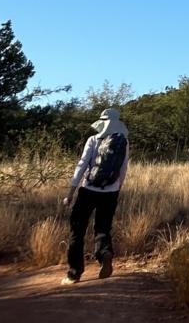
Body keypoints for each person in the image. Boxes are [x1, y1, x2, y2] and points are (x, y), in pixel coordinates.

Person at [61, 107, 130, 284]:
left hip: (88, 190)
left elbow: (82, 165)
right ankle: (105, 253)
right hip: (111, 192)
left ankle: (74, 272)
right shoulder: (124, 142)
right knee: (103, 228)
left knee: (77, 229)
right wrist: (116, 188)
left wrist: (70, 192)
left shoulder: (93, 140)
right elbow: (123, 169)